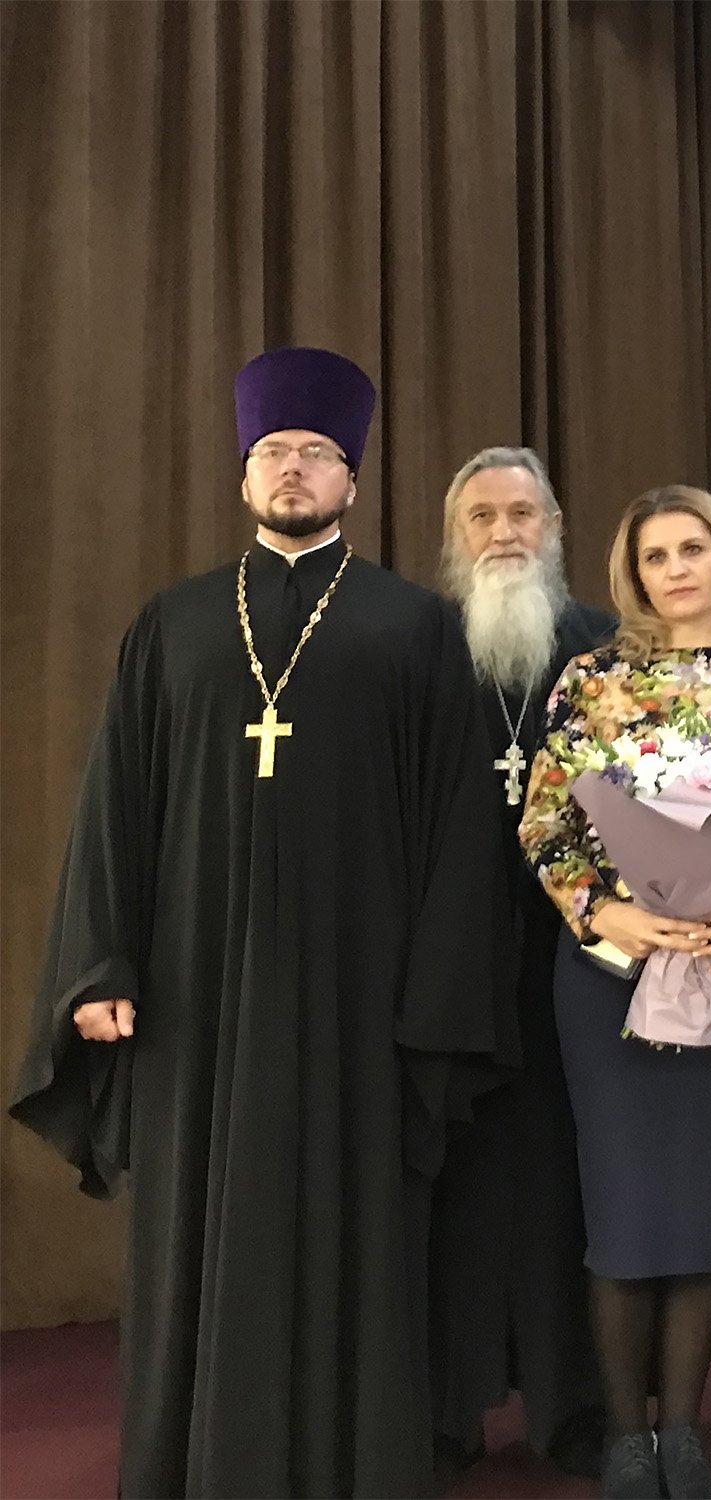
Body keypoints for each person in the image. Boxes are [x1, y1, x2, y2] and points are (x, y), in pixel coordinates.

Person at [8, 347, 515, 1497]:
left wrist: (431, 1004)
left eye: (317, 453)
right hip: (194, 991)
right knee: (197, 1218)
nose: (294, 469)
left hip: (358, 998)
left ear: (352, 480)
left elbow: (459, 833)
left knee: (356, 1228)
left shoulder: (414, 628)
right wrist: (100, 965)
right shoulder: (175, 624)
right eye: (274, 452)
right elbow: (113, 808)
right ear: (244, 477)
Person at [519, 485, 711, 1500]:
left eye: (693, 549)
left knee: (705, 1203)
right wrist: (603, 912)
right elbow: (545, 821)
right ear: (633, 575)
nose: (677, 569)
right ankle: (622, 1437)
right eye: (656, 556)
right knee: (625, 1206)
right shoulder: (591, 678)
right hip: (610, 973)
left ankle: (682, 1432)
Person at [429, 447, 613, 1484]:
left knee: (562, 1190)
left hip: (572, 962)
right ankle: (446, 1411)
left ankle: (572, 1408)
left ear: (553, 527)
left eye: (523, 514)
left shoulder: (600, 646)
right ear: (455, 535)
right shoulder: (418, 646)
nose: (504, 532)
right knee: (448, 1194)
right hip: (447, 965)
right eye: (483, 516)